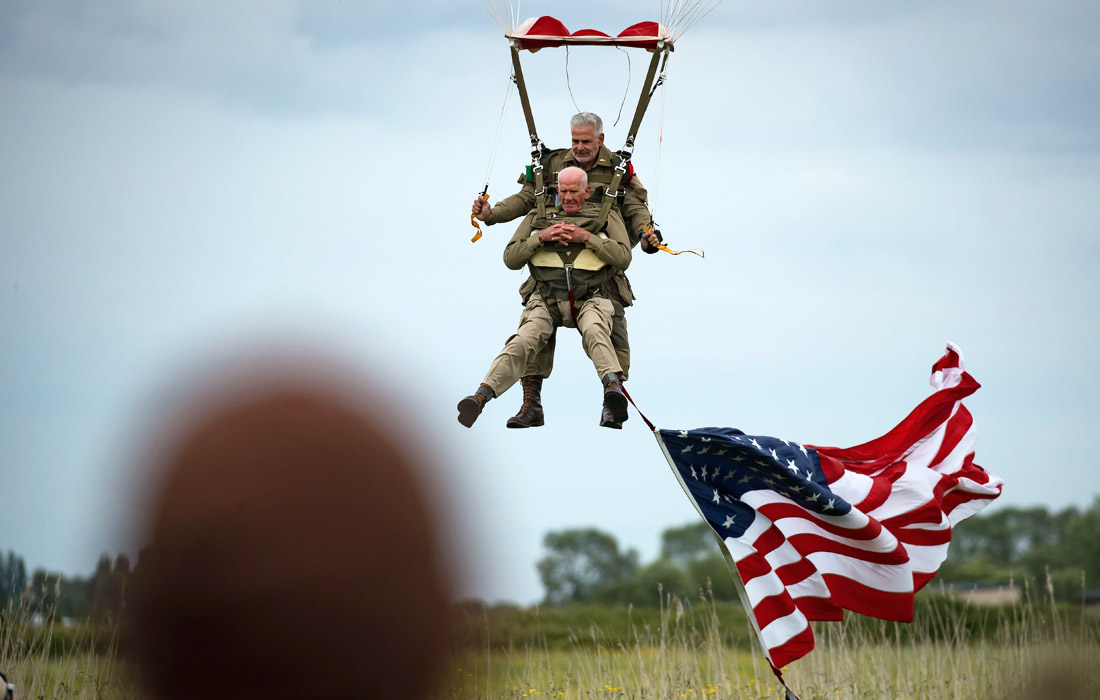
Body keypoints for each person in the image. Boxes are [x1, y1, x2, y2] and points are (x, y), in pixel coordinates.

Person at [471, 112, 663, 429]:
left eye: (586, 141)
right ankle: (529, 404)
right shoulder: (551, 165)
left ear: (600, 140)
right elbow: (525, 199)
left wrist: (647, 234)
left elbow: (636, 207)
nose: (579, 147)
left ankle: (612, 402)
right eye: (575, 140)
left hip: (599, 272)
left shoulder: (617, 170)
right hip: (551, 274)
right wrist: (492, 215)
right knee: (531, 333)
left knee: (605, 329)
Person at [458, 167, 631, 428]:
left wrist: (588, 238)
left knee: (596, 329)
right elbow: (511, 258)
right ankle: (481, 397)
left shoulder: (607, 214)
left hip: (591, 295)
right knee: (524, 339)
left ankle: (612, 390)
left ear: (587, 190)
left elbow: (623, 257)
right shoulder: (538, 215)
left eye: (575, 191)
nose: (569, 197)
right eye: (563, 191)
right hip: (546, 296)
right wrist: (541, 237)